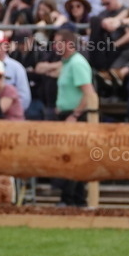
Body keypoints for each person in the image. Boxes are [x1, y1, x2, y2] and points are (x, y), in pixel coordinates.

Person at [49, 28, 98, 206]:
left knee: (73, 158)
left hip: (75, 116)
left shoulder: (77, 63)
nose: (54, 46)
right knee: (67, 157)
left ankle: (72, 199)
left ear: (68, 44)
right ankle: (72, 198)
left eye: (58, 42)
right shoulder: (66, 63)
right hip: (66, 114)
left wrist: (75, 114)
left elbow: (89, 93)